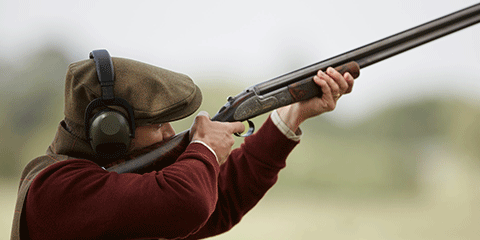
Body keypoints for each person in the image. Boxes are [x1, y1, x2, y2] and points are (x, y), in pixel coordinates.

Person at [11, 51, 354, 240]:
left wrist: (290, 118)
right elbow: (186, 202)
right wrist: (204, 148)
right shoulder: (55, 189)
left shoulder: (98, 179)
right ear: (111, 131)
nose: (169, 133)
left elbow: (219, 201)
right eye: (158, 123)